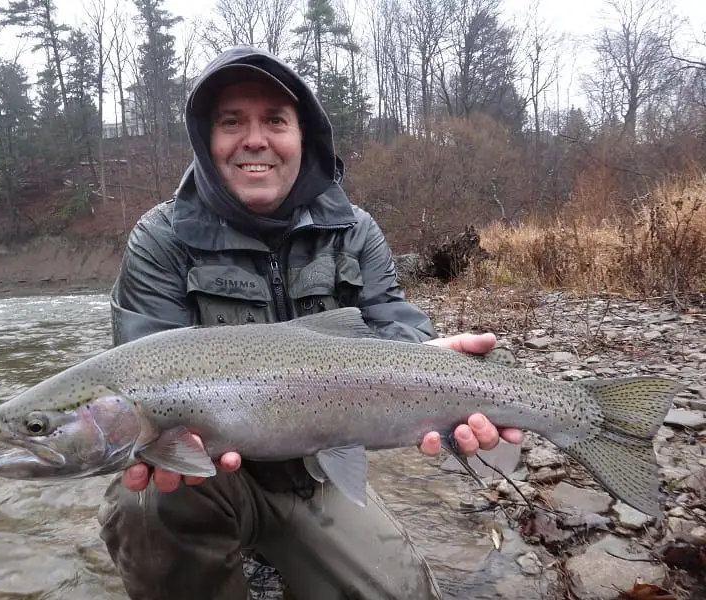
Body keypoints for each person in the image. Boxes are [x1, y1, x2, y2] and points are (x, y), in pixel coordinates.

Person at [98, 46, 523, 600]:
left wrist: (436, 373)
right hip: (208, 479)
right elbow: (142, 377)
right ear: (207, 141)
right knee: (145, 501)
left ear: (305, 137)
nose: (254, 139)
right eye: (231, 122)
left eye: (275, 120)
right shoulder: (161, 238)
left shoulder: (354, 230)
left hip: (316, 478)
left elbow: (398, 330)